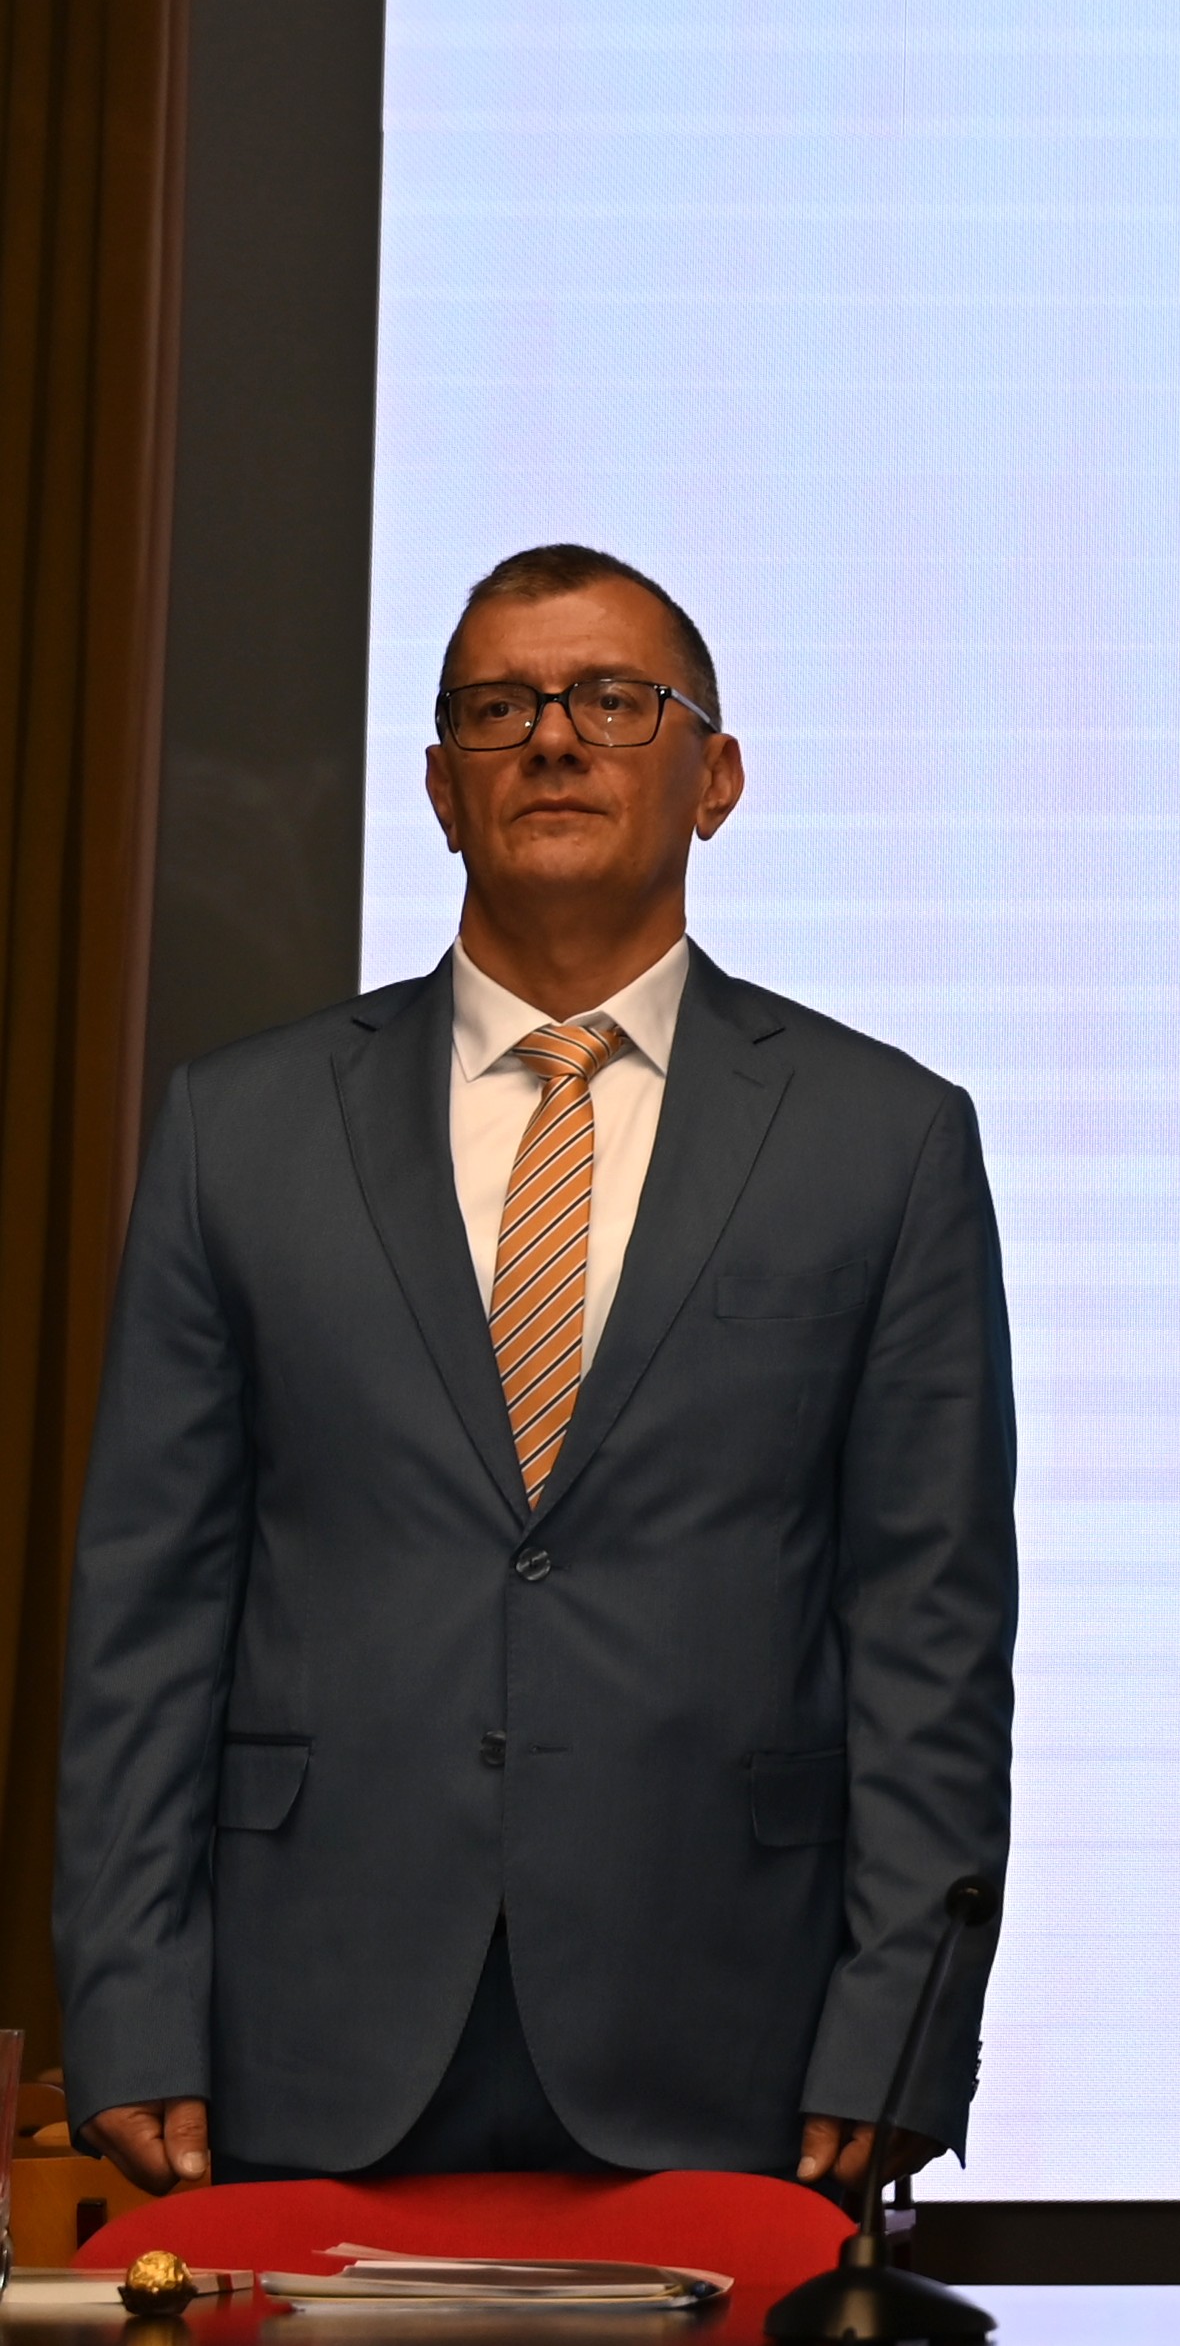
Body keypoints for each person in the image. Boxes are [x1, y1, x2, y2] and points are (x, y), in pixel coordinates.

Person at [60, 544, 1017, 2189]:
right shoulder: (241, 1128)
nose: (554, 736)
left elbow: (930, 1633)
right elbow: (149, 1612)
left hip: (732, 2029)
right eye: (498, 708)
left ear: (716, 776)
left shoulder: (885, 1140)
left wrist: (902, 2027)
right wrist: (131, 2002)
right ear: (442, 788)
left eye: (614, 700)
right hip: (308, 2023)